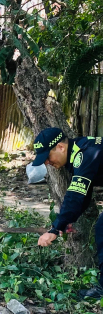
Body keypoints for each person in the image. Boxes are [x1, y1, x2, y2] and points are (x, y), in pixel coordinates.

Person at [32, 127, 103, 299]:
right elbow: (83, 195)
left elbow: (75, 196)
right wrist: (66, 221)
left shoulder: (85, 155)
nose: (47, 163)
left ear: (61, 148)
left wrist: (54, 229)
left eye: (47, 157)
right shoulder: (81, 150)